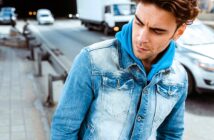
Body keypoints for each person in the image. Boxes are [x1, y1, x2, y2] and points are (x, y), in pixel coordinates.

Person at [51, 0, 199, 139]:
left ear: (178, 32)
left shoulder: (179, 77)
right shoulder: (91, 60)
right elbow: (64, 129)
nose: (141, 38)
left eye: (157, 31)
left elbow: (171, 134)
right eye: (138, 22)